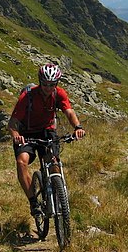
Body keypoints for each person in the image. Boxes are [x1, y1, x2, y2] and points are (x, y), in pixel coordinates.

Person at [7, 63, 86, 218]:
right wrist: (16, 134)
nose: (48, 88)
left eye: (52, 85)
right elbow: (12, 122)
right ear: (40, 81)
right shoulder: (27, 96)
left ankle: (57, 195)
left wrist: (78, 127)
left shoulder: (59, 94)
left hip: (47, 131)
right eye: (45, 84)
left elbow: (69, 112)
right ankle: (33, 203)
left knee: (53, 161)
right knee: (21, 162)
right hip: (27, 133)